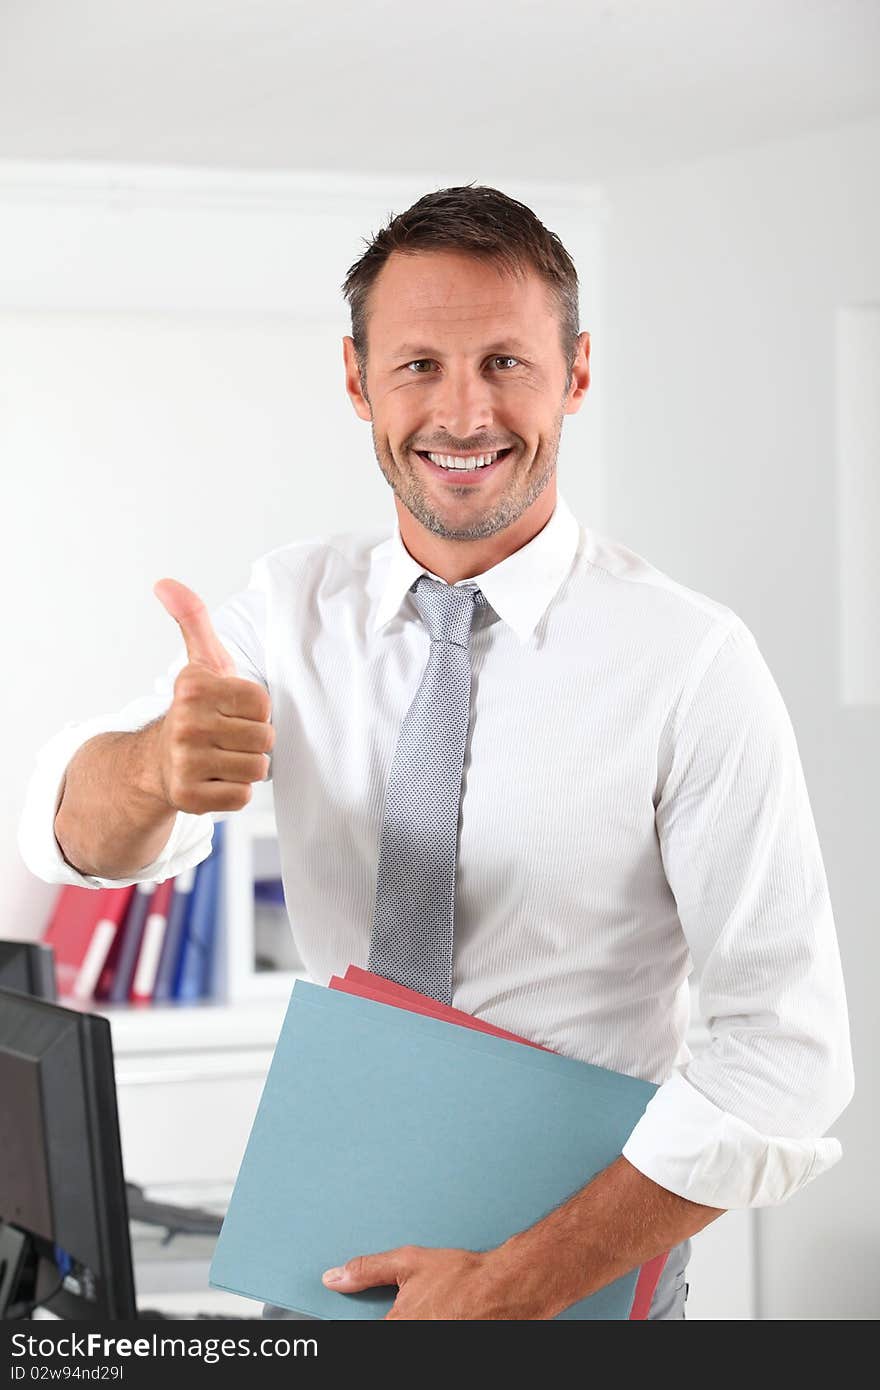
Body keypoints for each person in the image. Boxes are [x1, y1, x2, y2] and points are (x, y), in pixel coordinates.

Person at [18, 184, 853, 1321]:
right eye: (418, 366)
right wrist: (157, 768)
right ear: (357, 380)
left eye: (505, 361)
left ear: (578, 371)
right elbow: (71, 836)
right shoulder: (290, 603)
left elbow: (784, 1055)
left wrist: (512, 1285)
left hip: (575, 1284)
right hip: (324, 1258)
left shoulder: (692, 662)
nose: (463, 413)